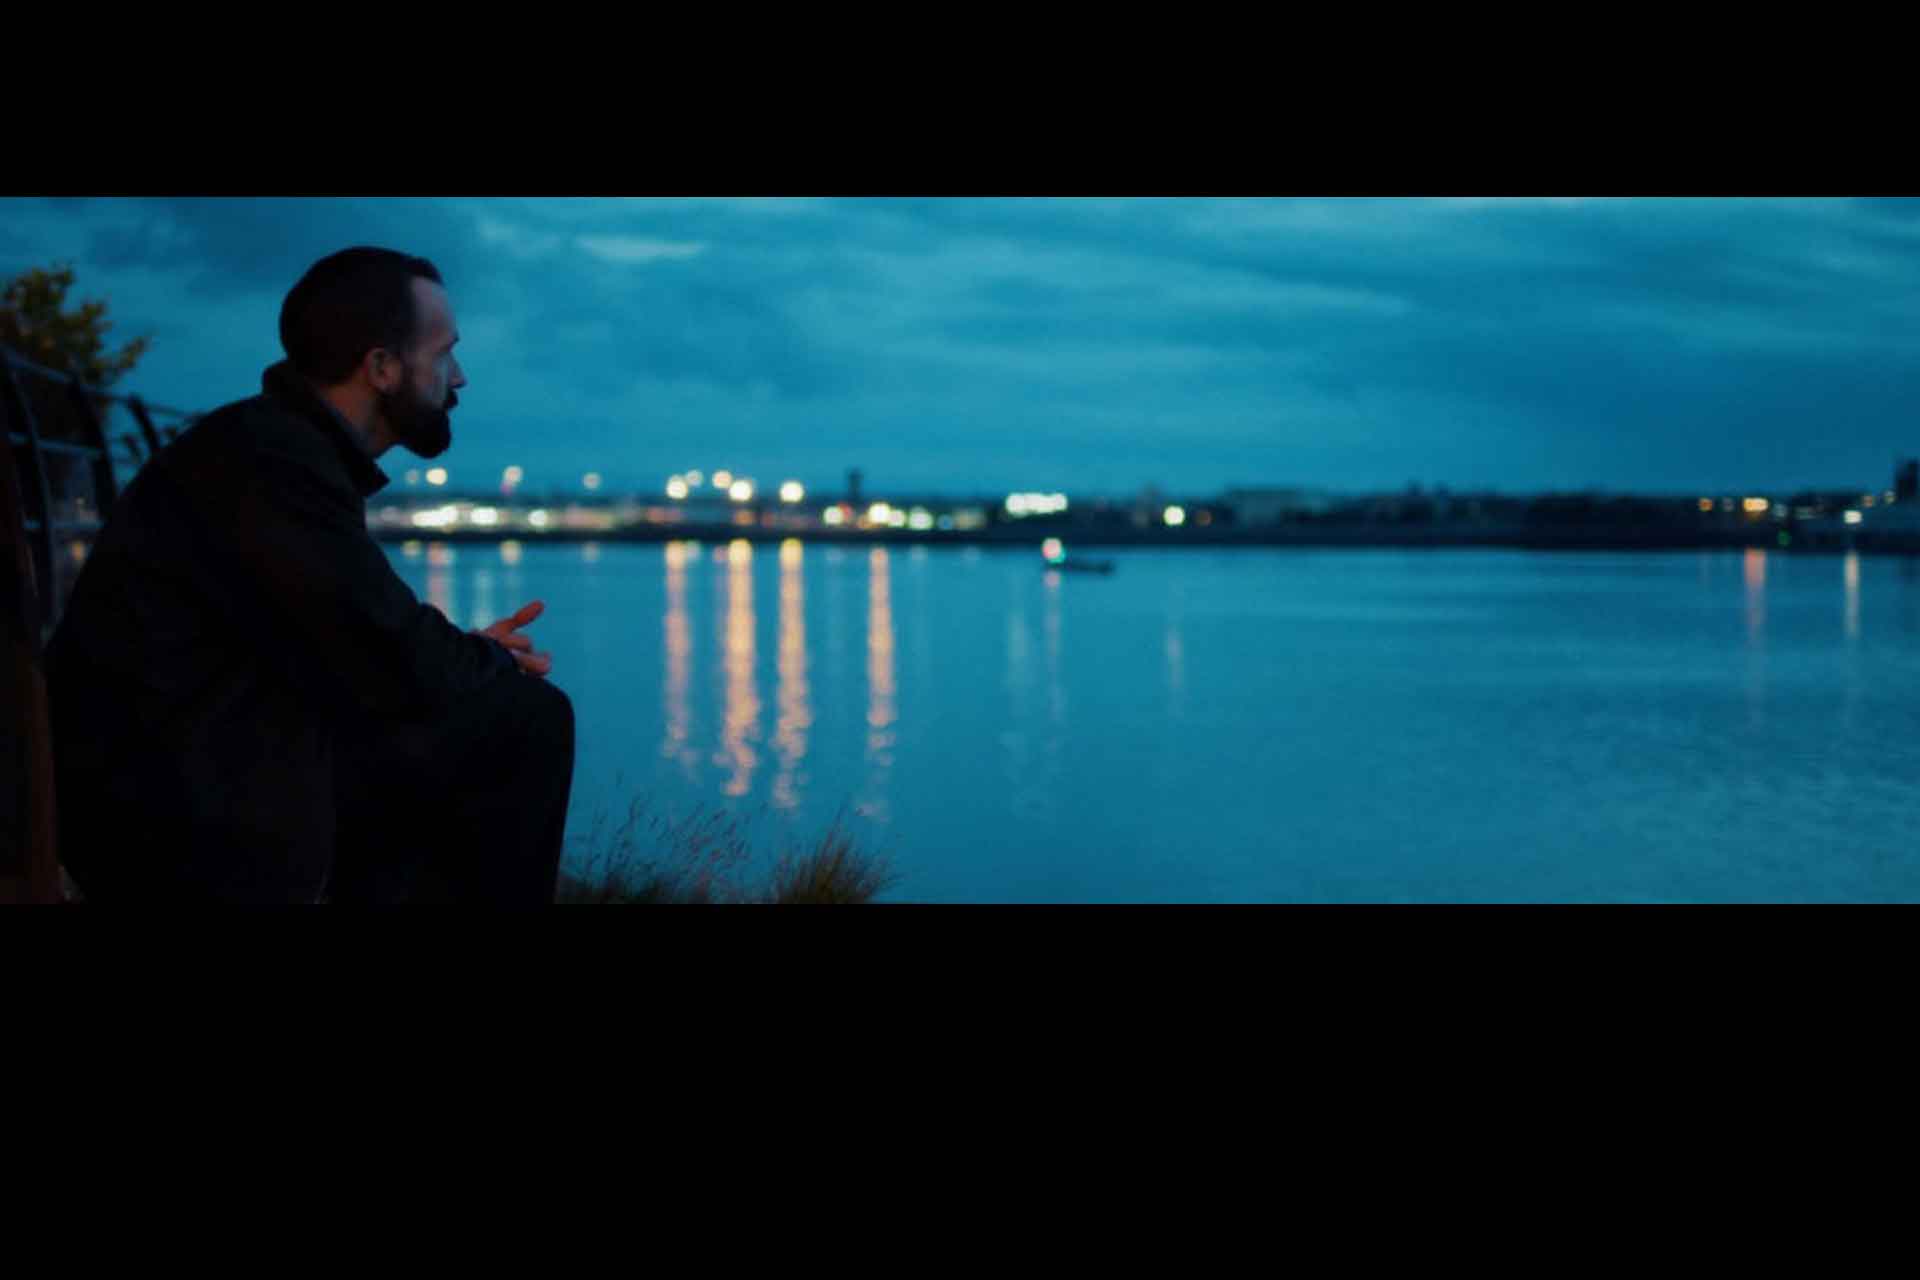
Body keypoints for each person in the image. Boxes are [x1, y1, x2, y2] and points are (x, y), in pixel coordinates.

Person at [45, 247, 573, 904]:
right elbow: (388, 648)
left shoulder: (273, 447)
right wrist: (484, 661)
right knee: (526, 718)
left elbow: (361, 636)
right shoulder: (273, 464)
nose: (458, 377)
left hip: (183, 768)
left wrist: (463, 660)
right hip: (170, 810)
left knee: (465, 715)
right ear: (380, 367)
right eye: (443, 354)